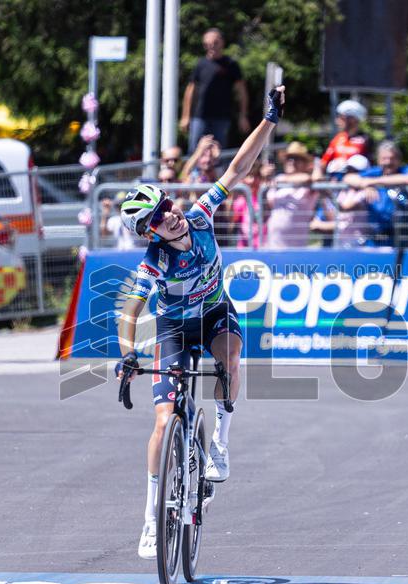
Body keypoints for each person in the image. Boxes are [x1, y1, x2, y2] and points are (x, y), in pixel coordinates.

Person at [115, 86, 286, 559]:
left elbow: (239, 168)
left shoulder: (201, 215)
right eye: (156, 220)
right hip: (173, 328)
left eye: (165, 206)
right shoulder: (154, 261)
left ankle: (220, 444)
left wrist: (269, 120)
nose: (168, 217)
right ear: (149, 233)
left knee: (230, 356)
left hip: (214, 314)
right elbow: (130, 309)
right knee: (162, 420)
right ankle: (150, 519)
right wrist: (127, 353)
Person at [180, 28, 250, 150]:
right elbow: (190, 90)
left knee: (219, 153)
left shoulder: (231, 64)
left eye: (214, 43)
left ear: (222, 42)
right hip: (199, 117)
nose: (211, 47)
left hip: (222, 117)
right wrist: (185, 116)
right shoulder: (200, 64)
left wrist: (243, 116)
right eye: (206, 44)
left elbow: (241, 91)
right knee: (195, 151)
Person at [343, 140, 408, 246]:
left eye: (392, 158)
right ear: (378, 160)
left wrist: (371, 182)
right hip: (374, 239)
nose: (388, 162)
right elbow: (348, 178)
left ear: (399, 160)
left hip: (401, 237)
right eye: (384, 159)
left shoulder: (406, 170)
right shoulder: (374, 172)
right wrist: (364, 185)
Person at [264, 141, 318, 248]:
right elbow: (266, 206)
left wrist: (282, 180)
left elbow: (311, 178)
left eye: (297, 158)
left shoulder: (307, 185)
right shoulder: (278, 180)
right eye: (289, 158)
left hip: (295, 249)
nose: (292, 161)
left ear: (305, 163)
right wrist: (264, 177)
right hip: (272, 245)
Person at [314, 100, 370, 179]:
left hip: (357, 181)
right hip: (336, 180)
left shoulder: (366, 140)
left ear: (352, 119)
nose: (337, 121)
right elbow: (324, 162)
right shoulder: (338, 138)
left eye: (341, 117)